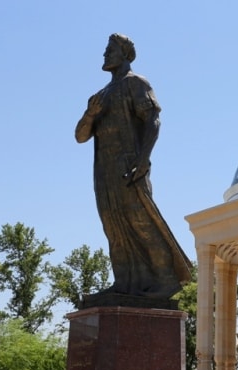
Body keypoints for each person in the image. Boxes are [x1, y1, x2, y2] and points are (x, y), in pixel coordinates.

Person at [75, 33, 191, 306]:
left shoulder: (136, 83)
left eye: (110, 50)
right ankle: (125, 282)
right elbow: (80, 136)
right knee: (113, 226)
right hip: (104, 172)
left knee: (141, 221)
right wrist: (91, 114)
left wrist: (143, 158)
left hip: (130, 166)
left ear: (126, 54)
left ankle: (165, 279)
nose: (105, 55)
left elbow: (152, 120)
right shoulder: (99, 97)